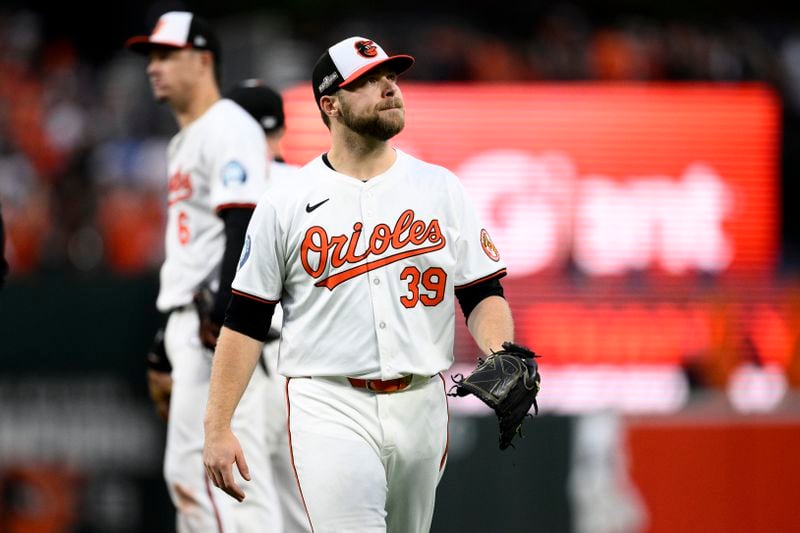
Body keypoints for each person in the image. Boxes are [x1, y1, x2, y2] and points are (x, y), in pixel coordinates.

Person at [203, 36, 515, 532]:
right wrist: (217, 425)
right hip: (329, 402)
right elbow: (245, 320)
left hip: (421, 401)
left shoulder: (440, 188)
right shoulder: (286, 202)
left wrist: (502, 350)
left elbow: (481, 291)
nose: (389, 88)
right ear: (330, 105)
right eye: (367, 82)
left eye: (391, 76)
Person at [126, 12, 280, 532]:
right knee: (194, 477)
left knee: (223, 477)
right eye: (151, 56)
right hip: (191, 323)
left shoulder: (227, 124)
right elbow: (198, 247)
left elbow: (244, 220)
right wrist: (162, 339)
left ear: (204, 58)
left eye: (167, 54)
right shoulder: (187, 138)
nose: (154, 67)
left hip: (214, 328)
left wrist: (226, 312)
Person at [224, 79, 310, 533]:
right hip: (306, 363)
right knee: (305, 503)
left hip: (250, 356)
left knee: (246, 497)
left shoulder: (231, 184)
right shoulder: (310, 185)